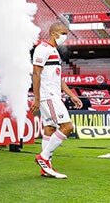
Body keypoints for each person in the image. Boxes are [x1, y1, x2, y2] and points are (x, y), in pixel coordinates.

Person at [30, 22, 82, 179]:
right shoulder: (43, 49)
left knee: (50, 129)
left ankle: (45, 168)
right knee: (67, 126)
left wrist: (71, 95)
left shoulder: (54, 51)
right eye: (63, 33)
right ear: (53, 33)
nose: (65, 37)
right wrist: (37, 98)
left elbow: (58, 79)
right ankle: (43, 158)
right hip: (48, 96)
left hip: (52, 95)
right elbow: (36, 74)